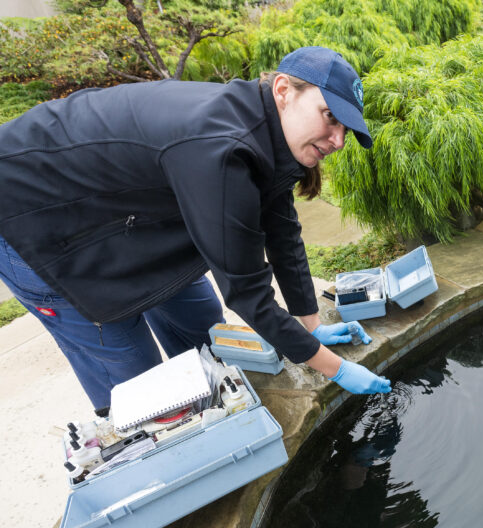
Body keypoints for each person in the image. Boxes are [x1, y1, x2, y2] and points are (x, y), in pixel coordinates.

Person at [0, 46, 391, 411]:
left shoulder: (267, 132)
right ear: (284, 90)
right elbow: (247, 293)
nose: (339, 140)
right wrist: (333, 369)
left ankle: (212, 419)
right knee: (145, 387)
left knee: (205, 332)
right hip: (38, 219)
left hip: (127, 218)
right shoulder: (219, 148)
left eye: (346, 129)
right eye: (330, 117)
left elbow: (282, 229)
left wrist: (310, 324)